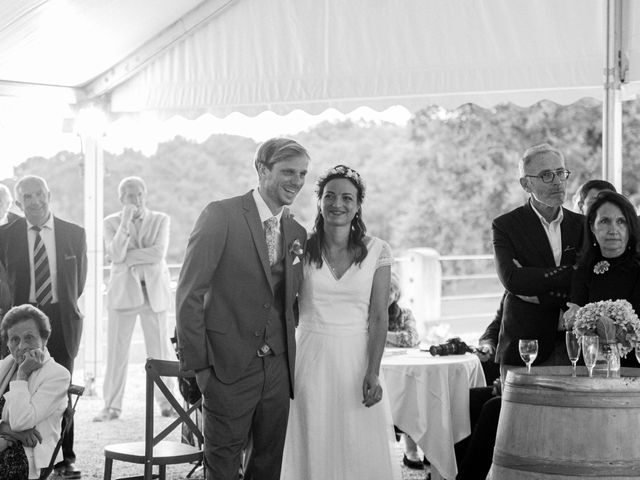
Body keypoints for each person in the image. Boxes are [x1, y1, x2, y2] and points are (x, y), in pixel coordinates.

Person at [176, 138, 309, 480]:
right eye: (288, 172)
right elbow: (189, 293)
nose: (297, 181)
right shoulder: (222, 215)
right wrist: (200, 368)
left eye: (303, 173)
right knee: (221, 467)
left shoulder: (297, 231)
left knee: (267, 465)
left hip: (278, 370)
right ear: (262, 170)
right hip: (226, 367)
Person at [280, 165, 401, 480]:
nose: (338, 203)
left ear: (358, 205)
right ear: (319, 201)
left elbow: (378, 317)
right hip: (309, 356)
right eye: (330, 196)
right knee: (312, 436)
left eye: (347, 197)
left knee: (356, 442)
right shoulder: (300, 246)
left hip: (356, 358)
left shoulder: (378, 250)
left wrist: (373, 371)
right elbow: (284, 302)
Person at [0, 175, 86, 479]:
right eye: (27, 197)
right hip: (22, 319)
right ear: (19, 202)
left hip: (60, 321)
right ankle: (16, 446)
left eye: (39, 194)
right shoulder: (6, 235)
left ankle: (66, 456)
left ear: (48, 194)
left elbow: (80, 282)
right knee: (19, 382)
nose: (35, 201)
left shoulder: (74, 233)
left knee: (60, 388)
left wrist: (60, 311)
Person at [492, 144, 584, 380]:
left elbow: (587, 279)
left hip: (574, 346)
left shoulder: (582, 225)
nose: (557, 181)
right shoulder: (506, 226)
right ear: (526, 184)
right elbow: (513, 280)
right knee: (518, 417)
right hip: (525, 347)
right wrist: (569, 272)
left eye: (561, 172)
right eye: (546, 175)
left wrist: (540, 291)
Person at [94, 177, 175, 422]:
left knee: (159, 351)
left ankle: (168, 403)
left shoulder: (161, 220)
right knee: (117, 353)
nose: (136, 199)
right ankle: (111, 406)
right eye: (130, 196)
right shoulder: (111, 223)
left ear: (145, 194)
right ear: (122, 199)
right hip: (123, 294)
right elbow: (116, 253)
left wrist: (128, 258)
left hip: (153, 294)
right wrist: (126, 222)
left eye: (139, 194)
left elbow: (158, 253)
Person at [566, 191, 640, 368]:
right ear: (592, 226)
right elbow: (578, 322)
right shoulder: (583, 270)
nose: (613, 230)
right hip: (593, 365)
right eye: (605, 221)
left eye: (621, 222)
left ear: (630, 227)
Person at [0, 304, 70, 480]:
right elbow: (16, 428)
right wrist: (6, 428)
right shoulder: (5, 366)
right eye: (14, 339)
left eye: (29, 337)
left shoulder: (57, 375)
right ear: (7, 343)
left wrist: (22, 375)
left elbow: (21, 422)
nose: (22, 346)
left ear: (44, 339)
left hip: (25, 455)